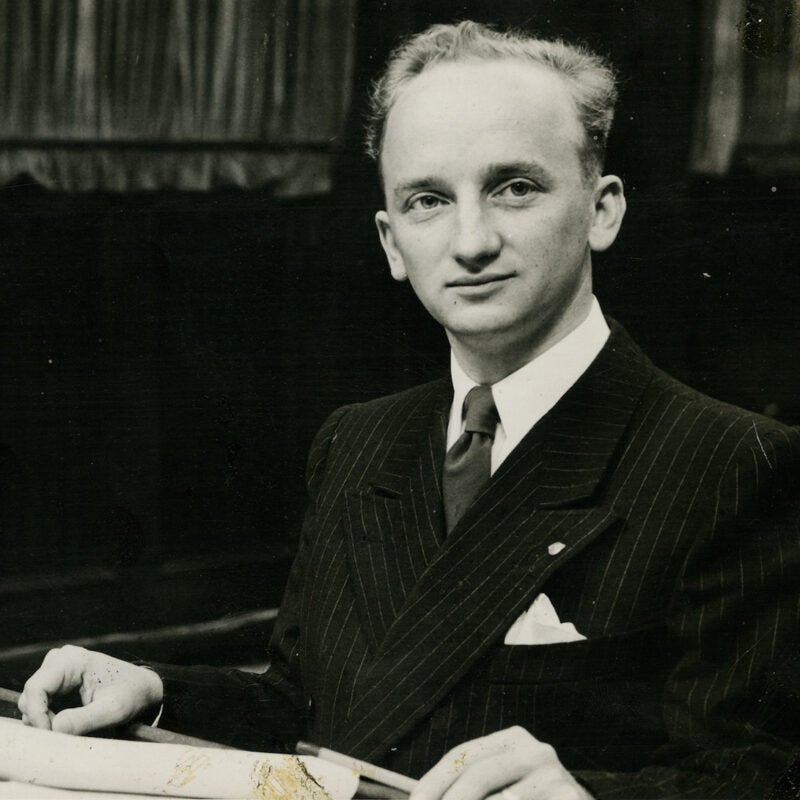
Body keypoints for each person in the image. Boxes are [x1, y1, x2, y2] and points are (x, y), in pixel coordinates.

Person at [18, 21, 800, 800]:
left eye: (514, 188)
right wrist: (157, 691)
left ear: (603, 211)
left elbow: (759, 775)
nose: (471, 241)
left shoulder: (734, 464)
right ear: (393, 244)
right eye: (429, 200)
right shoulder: (358, 441)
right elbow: (307, 714)